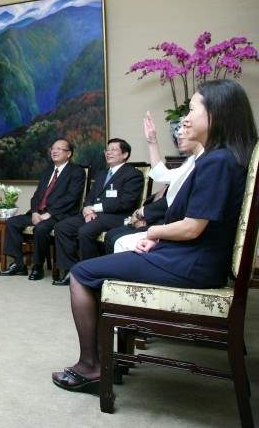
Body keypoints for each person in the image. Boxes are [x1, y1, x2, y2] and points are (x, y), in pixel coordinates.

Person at [51, 79, 257, 394]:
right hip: (192, 257)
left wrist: (153, 231)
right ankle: (104, 360)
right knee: (105, 264)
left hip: (190, 264)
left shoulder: (217, 161)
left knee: (81, 273)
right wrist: (160, 237)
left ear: (216, 113)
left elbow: (192, 227)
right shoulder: (222, 158)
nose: (185, 118)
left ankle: (91, 366)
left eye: (192, 110)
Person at [52, 138, 144, 285]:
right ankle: (71, 270)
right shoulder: (102, 174)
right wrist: (87, 209)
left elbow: (126, 202)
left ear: (125, 154)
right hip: (94, 214)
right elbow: (90, 197)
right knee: (62, 227)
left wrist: (95, 208)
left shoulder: (133, 174)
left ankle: (90, 273)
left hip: (117, 217)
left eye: (113, 150)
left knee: (85, 231)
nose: (108, 153)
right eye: (107, 150)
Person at [104, 117, 203, 254]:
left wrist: (146, 219)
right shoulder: (191, 161)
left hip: (177, 233)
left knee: (118, 241)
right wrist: (152, 141)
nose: (179, 132)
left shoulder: (210, 162)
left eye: (185, 127)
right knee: (114, 238)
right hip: (163, 224)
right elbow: (161, 175)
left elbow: (184, 217)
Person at [0, 138, 86, 280]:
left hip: (60, 215)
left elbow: (72, 198)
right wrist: (34, 212)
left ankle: (38, 266)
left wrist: (49, 213)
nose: (54, 151)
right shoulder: (47, 171)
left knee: (41, 228)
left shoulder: (77, 172)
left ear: (68, 153)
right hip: (38, 213)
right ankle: (19, 264)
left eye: (59, 149)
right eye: (53, 148)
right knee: (12, 222)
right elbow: (37, 195)